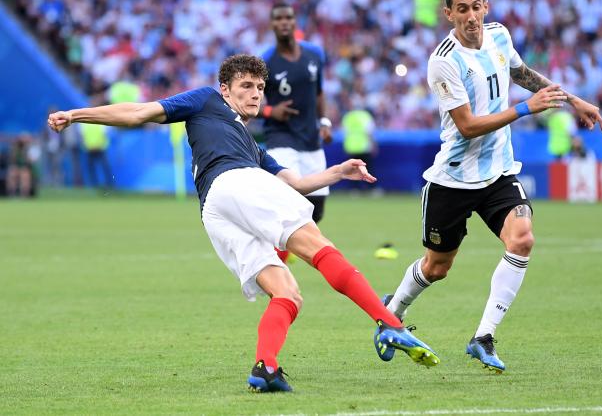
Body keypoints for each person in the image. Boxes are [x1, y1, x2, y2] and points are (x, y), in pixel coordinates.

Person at [47, 54, 439, 393]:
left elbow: (297, 183)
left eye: (260, 87)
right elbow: (139, 112)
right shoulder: (204, 101)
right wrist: (78, 114)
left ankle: (265, 367)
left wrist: (338, 171)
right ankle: (389, 322)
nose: (255, 93)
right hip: (234, 184)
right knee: (316, 244)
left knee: (287, 293)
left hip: (215, 210)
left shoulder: (251, 144)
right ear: (224, 89)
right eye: (246, 86)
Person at [381, 0, 602, 373]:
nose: (470, 16)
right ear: (448, 14)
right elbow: (466, 126)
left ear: (486, 7)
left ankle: (482, 337)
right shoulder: (443, 60)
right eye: (461, 9)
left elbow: (522, 74)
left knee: (523, 239)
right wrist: (524, 109)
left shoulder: (500, 36)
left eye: (476, 7)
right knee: (437, 267)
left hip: (499, 171)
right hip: (452, 179)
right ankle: (391, 313)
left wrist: (572, 100)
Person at [259, 3, 332, 224]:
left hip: (310, 137)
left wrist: (325, 121)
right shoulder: (265, 62)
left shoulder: (314, 54)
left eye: (288, 18)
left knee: (316, 211)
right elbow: (247, 103)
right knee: (287, 199)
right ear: (272, 24)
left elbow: (318, 92)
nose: (284, 22)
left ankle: (286, 247)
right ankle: (272, 253)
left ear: (294, 22)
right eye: (278, 18)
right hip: (281, 137)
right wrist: (272, 110)